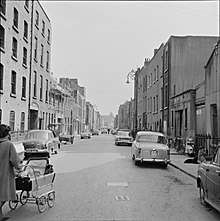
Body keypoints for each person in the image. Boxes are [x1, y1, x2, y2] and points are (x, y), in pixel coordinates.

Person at [0, 124, 22, 221]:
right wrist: (19, 167)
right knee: (4, 194)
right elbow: (14, 160)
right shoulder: (8, 144)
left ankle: (1, 215)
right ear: (6, 134)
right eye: (9, 132)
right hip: (4, 173)